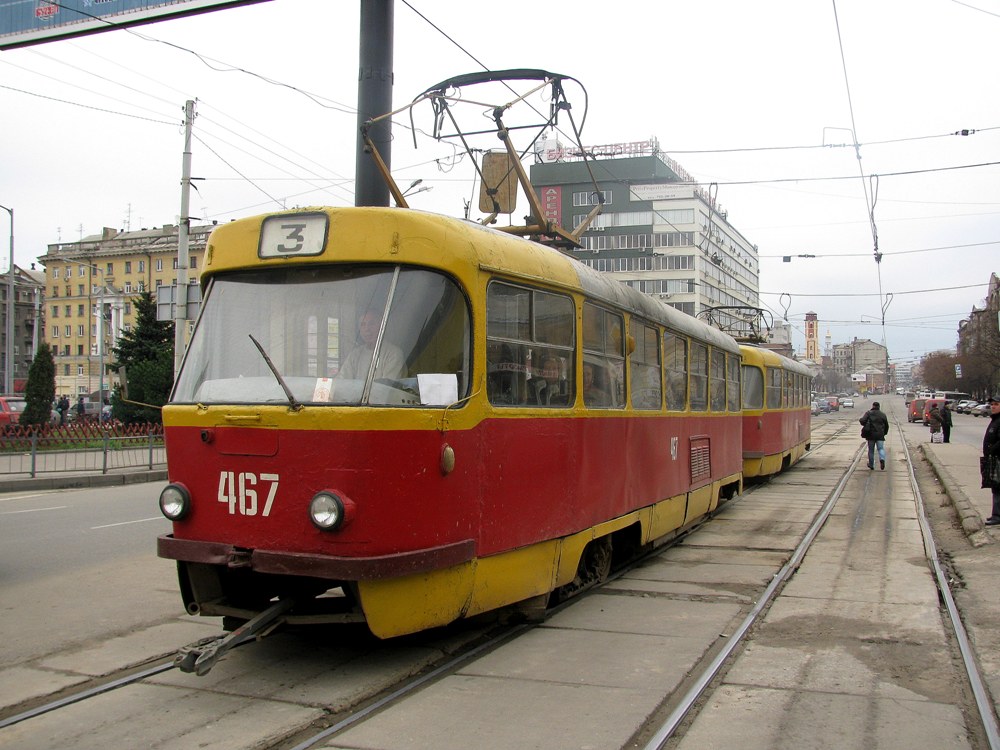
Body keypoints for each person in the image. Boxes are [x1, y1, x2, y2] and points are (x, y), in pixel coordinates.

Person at [336, 311, 405, 380]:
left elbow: (387, 387)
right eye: (363, 324)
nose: (367, 329)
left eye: (371, 324)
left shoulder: (393, 353)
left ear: (381, 326)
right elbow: (341, 381)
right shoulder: (355, 355)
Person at [982, 397, 1000, 526]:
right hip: (993, 459)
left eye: (996, 404)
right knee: (995, 486)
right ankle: (995, 514)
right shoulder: (995, 420)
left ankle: (997, 515)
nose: (993, 406)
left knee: (998, 487)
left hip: (998, 458)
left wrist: (991, 450)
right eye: (991, 404)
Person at [859, 400, 889, 470]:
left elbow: (863, 421)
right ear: (879, 407)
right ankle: (882, 459)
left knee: (871, 450)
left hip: (871, 435)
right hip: (880, 435)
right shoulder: (883, 414)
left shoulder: (868, 413)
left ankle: (871, 464)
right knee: (881, 448)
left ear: (873, 406)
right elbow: (887, 425)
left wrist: (863, 421)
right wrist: (884, 433)